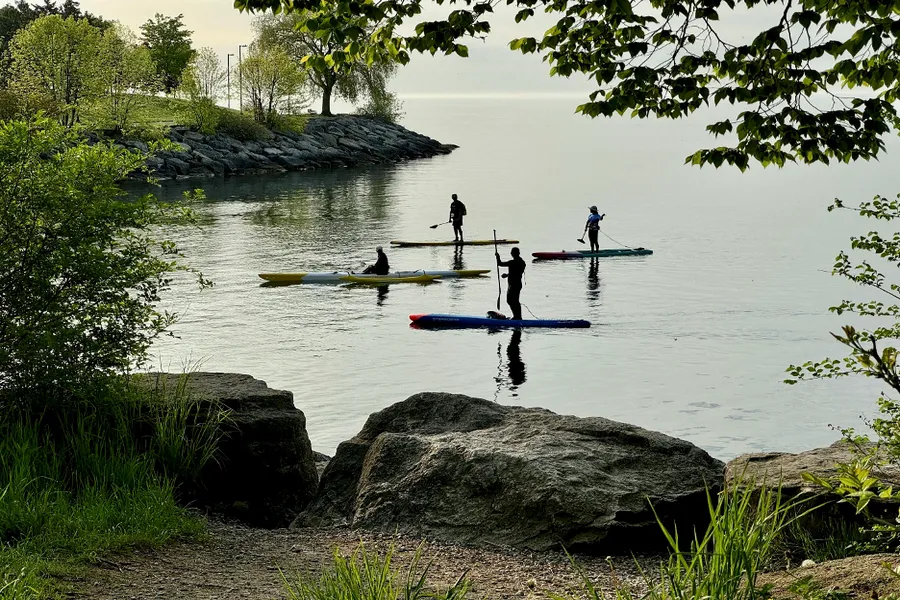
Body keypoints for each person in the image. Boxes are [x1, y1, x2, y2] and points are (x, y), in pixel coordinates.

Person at [495, 247, 526, 320]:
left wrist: (498, 257)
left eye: (512, 252)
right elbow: (517, 272)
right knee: (514, 301)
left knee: (511, 301)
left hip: (514, 285)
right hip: (517, 284)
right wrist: (507, 275)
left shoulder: (512, 262)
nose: (511, 254)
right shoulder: (522, 262)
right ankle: (517, 316)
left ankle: (517, 317)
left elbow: (500, 264)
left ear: (515, 253)